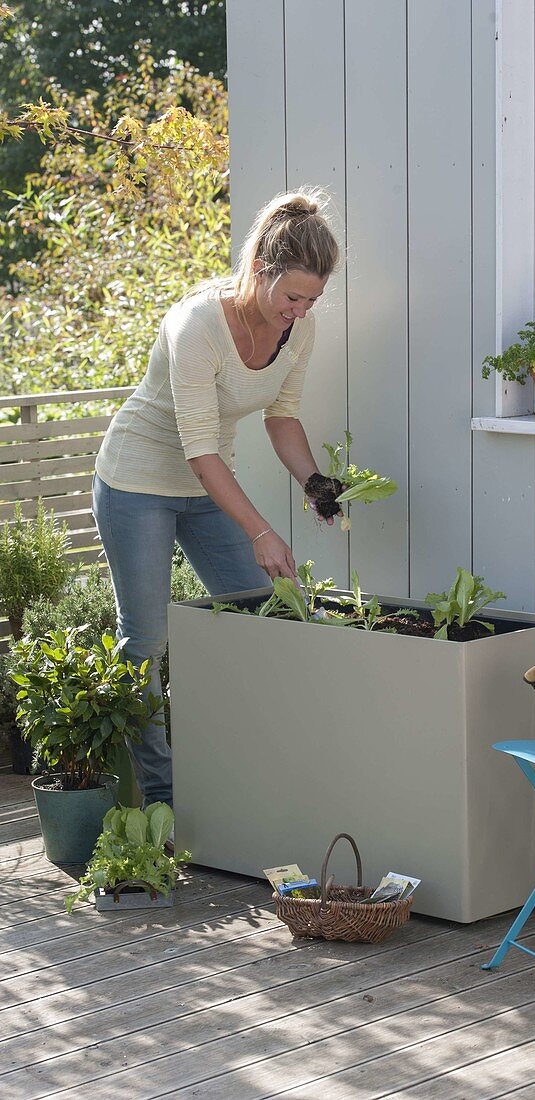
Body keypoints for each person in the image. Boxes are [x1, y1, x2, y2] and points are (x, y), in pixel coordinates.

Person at [93, 188, 340, 809]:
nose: (301, 310)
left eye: (312, 298)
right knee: (145, 641)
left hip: (208, 488)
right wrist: (262, 530)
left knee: (267, 612)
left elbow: (282, 419)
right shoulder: (196, 326)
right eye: (292, 296)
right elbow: (199, 451)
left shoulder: (297, 332)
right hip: (138, 481)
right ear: (259, 270)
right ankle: (161, 795)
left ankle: (253, 763)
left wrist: (317, 485)